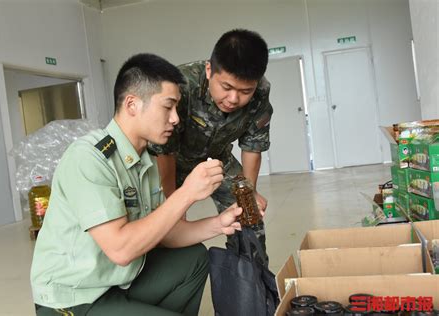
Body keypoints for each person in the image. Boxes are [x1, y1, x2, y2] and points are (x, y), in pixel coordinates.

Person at [30, 53, 243, 316]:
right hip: (75, 296)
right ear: (132, 104)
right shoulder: (89, 158)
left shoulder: (145, 160)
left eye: (177, 108)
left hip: (115, 282)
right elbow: (121, 250)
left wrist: (218, 224)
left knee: (194, 259)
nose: (176, 118)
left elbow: (165, 233)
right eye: (168, 107)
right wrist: (187, 192)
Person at [149, 29, 273, 263]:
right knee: (164, 228)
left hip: (217, 160)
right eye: (226, 88)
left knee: (250, 218)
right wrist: (174, 201)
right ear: (209, 70)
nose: (234, 99)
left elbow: (252, 146)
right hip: (169, 163)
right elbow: (163, 151)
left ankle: (251, 284)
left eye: (245, 91)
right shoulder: (181, 86)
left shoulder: (261, 92)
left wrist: (249, 193)